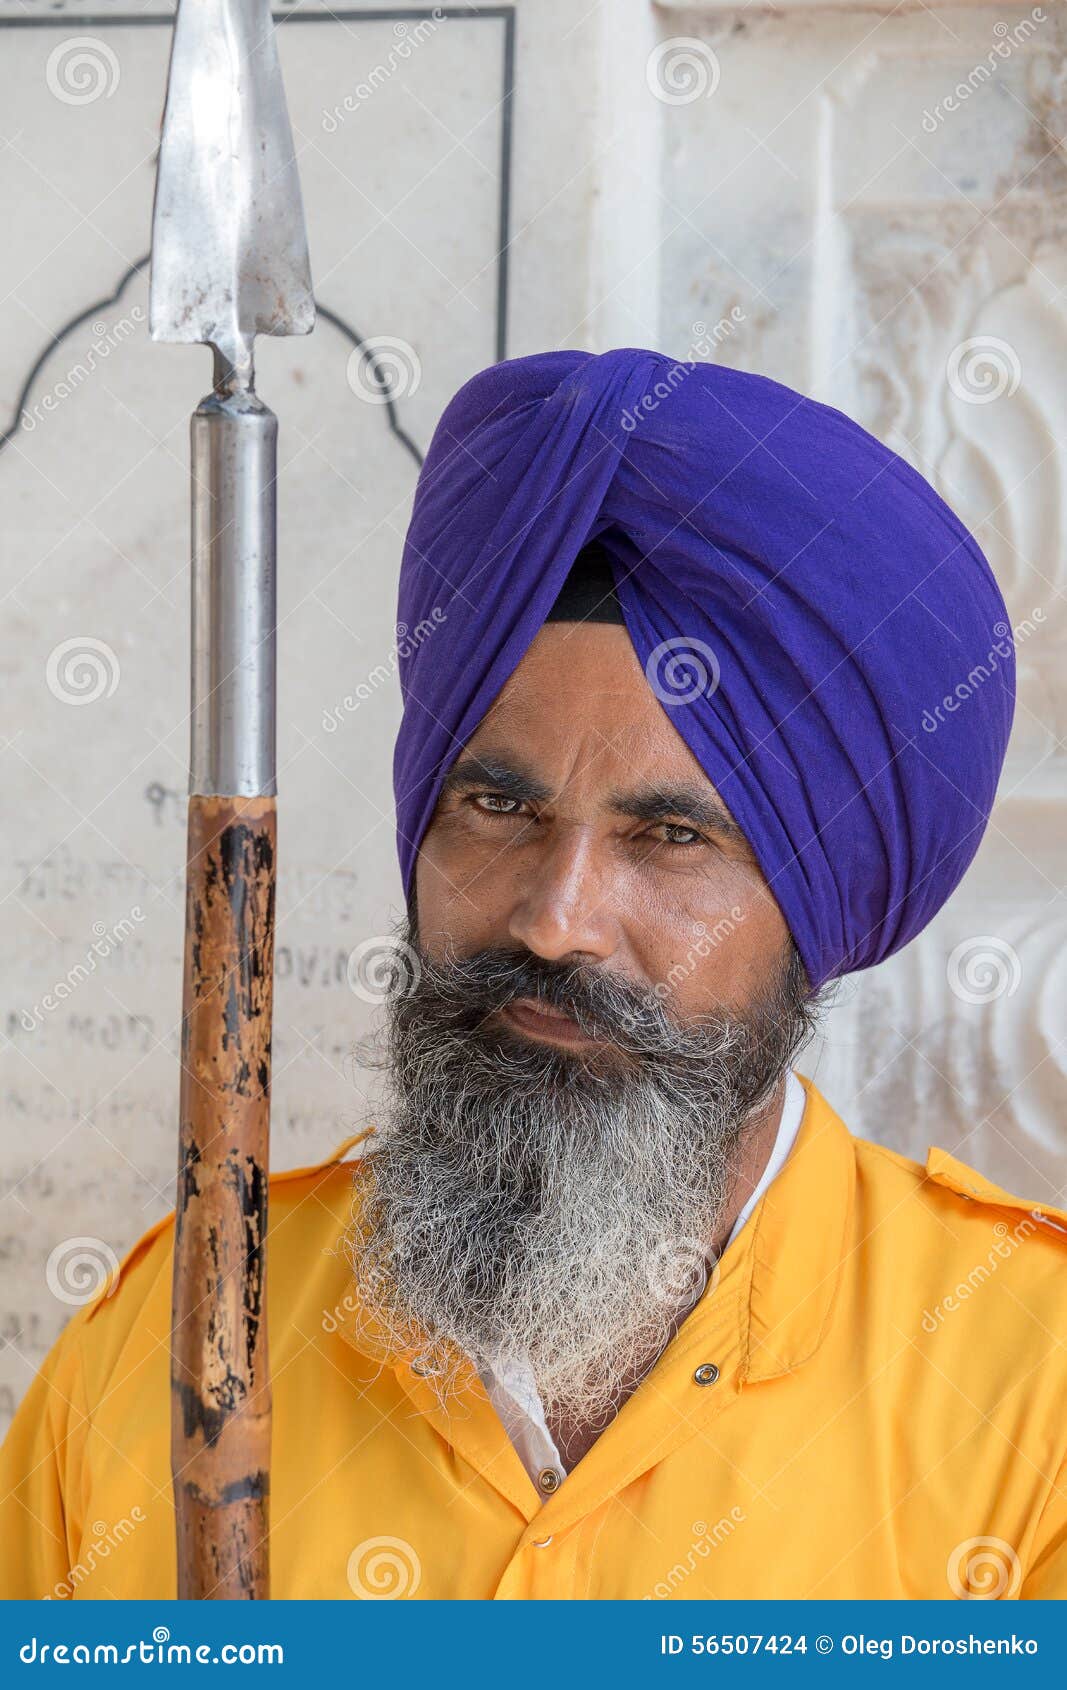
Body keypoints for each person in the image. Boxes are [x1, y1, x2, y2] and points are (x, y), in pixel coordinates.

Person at [1, 350, 1063, 1601]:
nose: (555, 922)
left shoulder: (1026, 1394)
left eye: (671, 836)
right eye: (498, 804)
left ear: (814, 907)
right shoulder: (163, 1348)